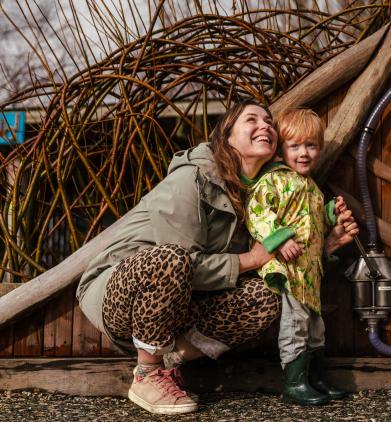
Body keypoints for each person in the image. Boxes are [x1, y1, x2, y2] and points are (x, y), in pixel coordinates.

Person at [76, 101, 359, 415]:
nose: (265, 125)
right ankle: (147, 374)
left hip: (179, 305)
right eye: (251, 120)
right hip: (118, 295)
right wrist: (250, 259)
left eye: (269, 121)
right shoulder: (190, 181)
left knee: (267, 295)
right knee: (171, 260)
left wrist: (325, 247)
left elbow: (267, 262)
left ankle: (171, 361)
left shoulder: (262, 192)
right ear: (226, 137)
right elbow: (183, 265)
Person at [243, 108, 348, 405]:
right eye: (295, 146)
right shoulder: (274, 180)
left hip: (309, 272)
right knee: (296, 325)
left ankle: (314, 379)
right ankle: (294, 383)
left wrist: (330, 214)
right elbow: (257, 213)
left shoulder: (312, 188)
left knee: (316, 327)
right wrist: (279, 239)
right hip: (288, 270)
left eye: (311, 146)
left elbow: (313, 223)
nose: (304, 153)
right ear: (281, 150)